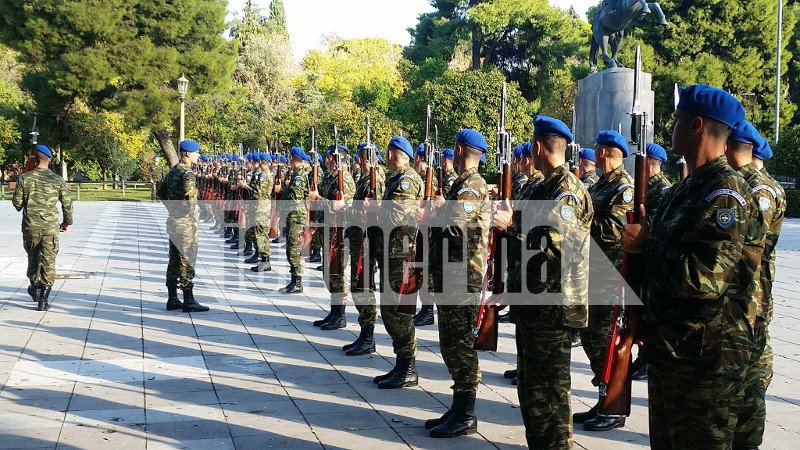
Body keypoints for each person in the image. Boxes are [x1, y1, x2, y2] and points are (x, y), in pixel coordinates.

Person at [622, 84, 764, 449]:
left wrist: (647, 244)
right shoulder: (684, 190)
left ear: (696, 126)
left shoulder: (725, 194)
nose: (671, 129)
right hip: (672, 351)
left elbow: (704, 279)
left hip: (707, 362)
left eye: (677, 121)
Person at [493, 115, 592, 448]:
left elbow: (554, 250)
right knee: (531, 392)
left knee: (550, 394)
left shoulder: (567, 192)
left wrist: (510, 228)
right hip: (532, 305)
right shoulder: (541, 186)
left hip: (553, 309)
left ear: (537, 147)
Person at [421, 129, 489, 438]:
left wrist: (436, 213)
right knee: (451, 342)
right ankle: (458, 407)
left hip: (462, 276)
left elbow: (457, 231)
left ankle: (466, 413)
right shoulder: (462, 185)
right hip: (451, 275)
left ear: (460, 150)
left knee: (460, 345)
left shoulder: (471, 187)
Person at [578, 130, 633, 432]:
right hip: (593, 273)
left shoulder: (623, 187)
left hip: (610, 276)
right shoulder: (603, 184)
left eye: (596, 148)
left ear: (602, 152)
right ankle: (603, 398)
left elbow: (614, 230)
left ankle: (613, 407)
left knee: (605, 340)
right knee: (591, 338)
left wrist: (578, 223)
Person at [368, 135, 423, 389]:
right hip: (391, 253)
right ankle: (402, 364)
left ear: (391, 154)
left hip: (401, 255)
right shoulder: (396, 179)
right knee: (391, 311)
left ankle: (408, 367)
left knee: (398, 312)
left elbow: (399, 216)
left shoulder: (407, 181)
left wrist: (375, 209)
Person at [629, 142, 674, 381]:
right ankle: (642, 358)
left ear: (649, 164)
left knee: (648, 308)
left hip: (651, 256)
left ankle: (647, 359)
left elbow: (656, 225)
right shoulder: (646, 187)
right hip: (643, 257)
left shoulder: (662, 190)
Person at [12, 144, 73, 311]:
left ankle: (34, 287)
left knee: (32, 259)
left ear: (34, 159)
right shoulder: (57, 180)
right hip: (50, 228)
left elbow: (17, 204)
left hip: (30, 227)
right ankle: (43, 299)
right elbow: (67, 204)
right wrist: (66, 222)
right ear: (50, 160)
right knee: (48, 261)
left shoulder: (25, 178)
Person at [343, 142, 387, 355]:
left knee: (363, 286)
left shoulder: (375, 179)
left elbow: (374, 211)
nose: (357, 160)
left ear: (363, 158)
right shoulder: (365, 178)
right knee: (359, 286)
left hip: (368, 241)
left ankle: (368, 336)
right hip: (359, 239)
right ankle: (365, 333)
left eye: (359, 157)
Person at [157, 139, 210, 313]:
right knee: (187, 260)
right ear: (186, 153)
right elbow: (191, 199)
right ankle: (188, 300)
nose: (198, 155)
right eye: (196, 152)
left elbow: (160, 192)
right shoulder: (187, 173)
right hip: (186, 224)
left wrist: (173, 209)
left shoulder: (174, 171)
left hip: (174, 221)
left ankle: (172, 298)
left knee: (174, 260)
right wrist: (190, 215)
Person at [310, 144, 355, 330]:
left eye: (328, 157)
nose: (326, 160)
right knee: (330, 273)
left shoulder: (345, 180)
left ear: (333, 158)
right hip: (328, 230)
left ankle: (340, 314)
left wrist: (318, 199)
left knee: (339, 273)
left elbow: (344, 207)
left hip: (340, 233)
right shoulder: (331, 177)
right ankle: (334, 311)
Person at [281, 147, 310, 293]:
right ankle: (293, 279)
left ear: (292, 158)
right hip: (292, 214)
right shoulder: (296, 173)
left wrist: (284, 190)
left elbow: (295, 197)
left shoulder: (299, 176)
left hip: (296, 215)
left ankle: (298, 282)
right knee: (291, 248)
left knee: (295, 249)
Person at [248, 153, 275, 272]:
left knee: (262, 234)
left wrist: (246, 187)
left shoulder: (264, 175)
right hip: (259, 207)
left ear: (262, 162)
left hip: (262, 208)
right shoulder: (262, 174)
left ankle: (265, 261)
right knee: (259, 233)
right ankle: (263, 259)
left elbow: (258, 193)